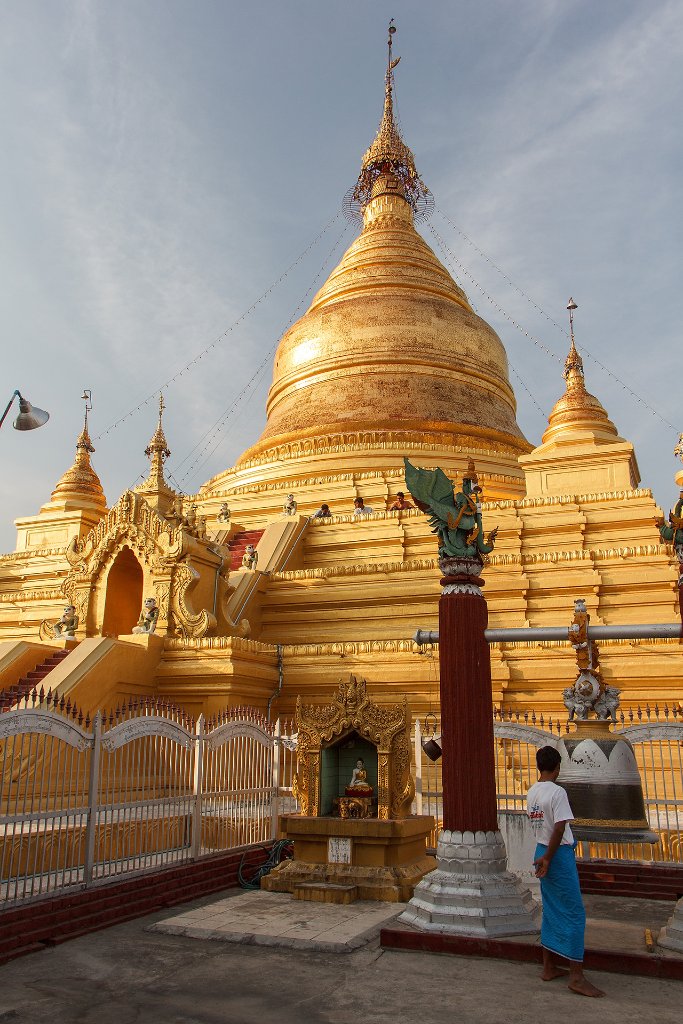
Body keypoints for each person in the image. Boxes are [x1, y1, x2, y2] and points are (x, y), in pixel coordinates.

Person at [527, 746, 605, 997]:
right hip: (555, 855)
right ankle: (576, 977)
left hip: (540, 850)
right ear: (558, 767)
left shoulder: (532, 791)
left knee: (550, 908)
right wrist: (550, 858)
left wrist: (544, 856)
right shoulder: (557, 792)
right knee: (573, 913)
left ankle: (549, 967)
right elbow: (559, 828)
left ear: (539, 766)